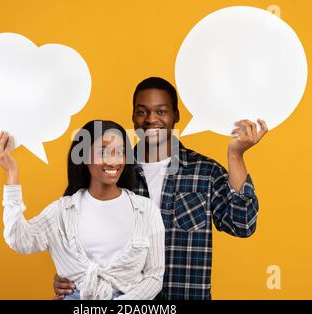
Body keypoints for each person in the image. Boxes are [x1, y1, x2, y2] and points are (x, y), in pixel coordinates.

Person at [54, 77, 268, 300]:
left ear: (176, 115)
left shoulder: (204, 172)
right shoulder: (112, 172)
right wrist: (69, 279)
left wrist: (236, 155)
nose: (151, 119)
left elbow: (242, 224)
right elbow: (83, 238)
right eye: (142, 112)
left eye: (161, 111)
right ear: (133, 117)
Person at [0, 120, 165, 299]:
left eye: (120, 152)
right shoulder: (62, 211)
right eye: (103, 152)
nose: (114, 161)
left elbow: (154, 277)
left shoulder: (146, 210)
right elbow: (19, 240)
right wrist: (12, 172)